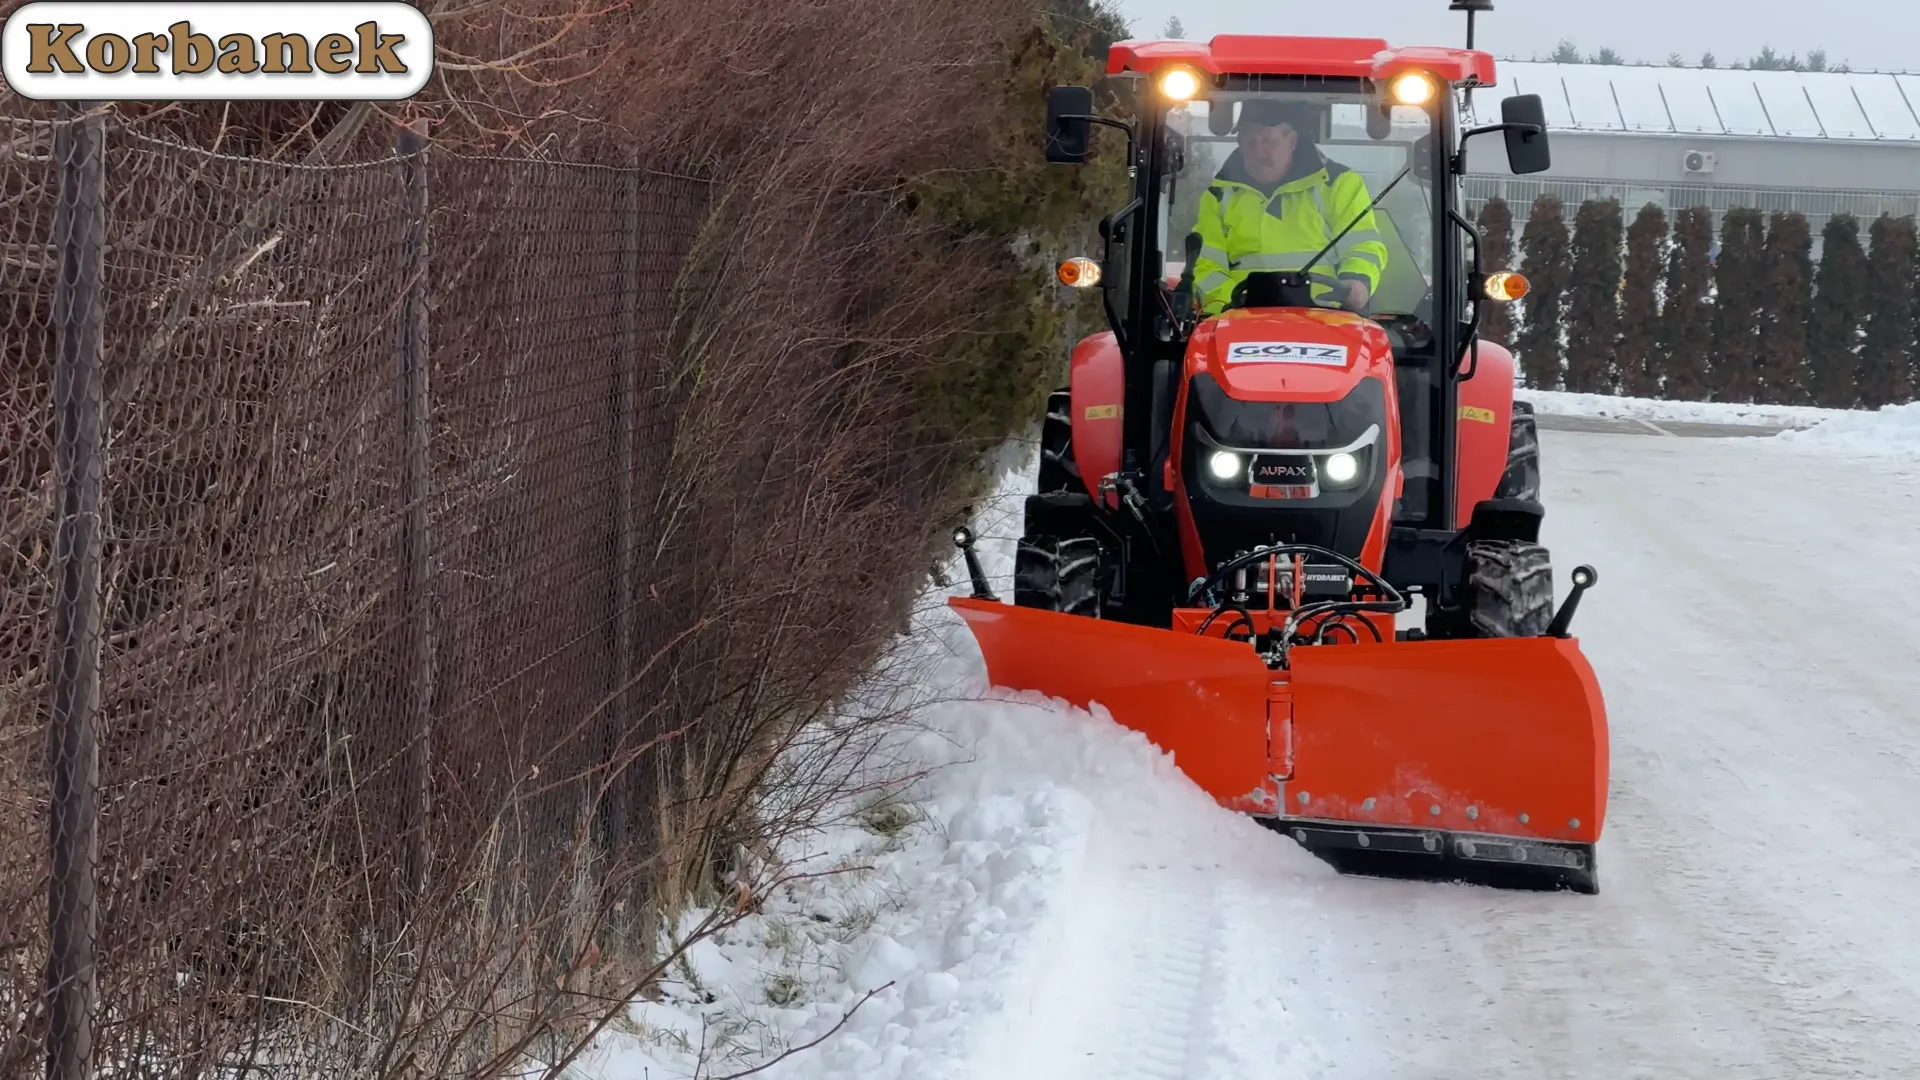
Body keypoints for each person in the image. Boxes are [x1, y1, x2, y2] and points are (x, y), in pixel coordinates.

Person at [1189, 98, 1389, 317]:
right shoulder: (1218, 196)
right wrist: (1235, 305)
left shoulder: (1339, 185)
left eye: (1268, 140)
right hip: (1241, 323)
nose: (1258, 150)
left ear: (1292, 141)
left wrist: (1356, 281)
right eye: (1250, 141)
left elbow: (1362, 246)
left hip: (1328, 320)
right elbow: (1204, 266)